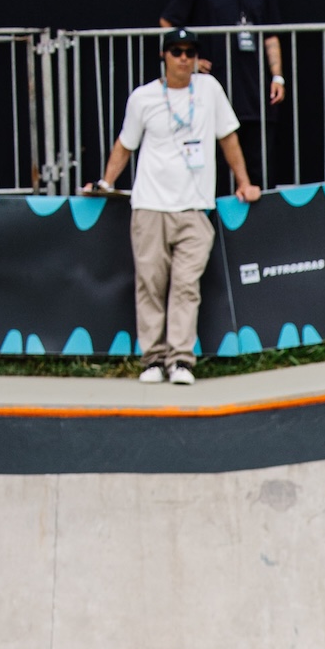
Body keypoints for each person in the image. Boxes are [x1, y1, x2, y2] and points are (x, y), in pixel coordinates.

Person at [85, 27, 261, 386]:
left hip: (195, 207)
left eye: (189, 51)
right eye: (176, 51)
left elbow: (228, 137)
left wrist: (243, 181)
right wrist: (106, 181)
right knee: (150, 284)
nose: (183, 58)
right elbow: (125, 144)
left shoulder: (209, 90)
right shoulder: (144, 97)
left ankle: (181, 360)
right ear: (164, 57)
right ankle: (153, 359)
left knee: (186, 286)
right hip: (150, 205)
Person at [161, 0, 285, 188]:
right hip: (214, 85)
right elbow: (168, 22)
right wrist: (189, 61)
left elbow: (271, 35)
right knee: (212, 163)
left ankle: (256, 224)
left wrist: (278, 77)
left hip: (254, 88)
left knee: (259, 163)